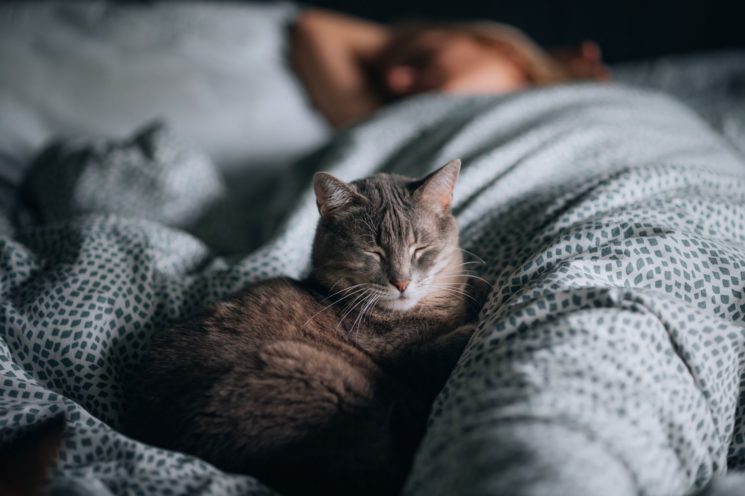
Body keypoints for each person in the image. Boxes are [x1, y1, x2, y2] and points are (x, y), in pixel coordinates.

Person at [291, 9, 611, 128]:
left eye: (422, 59)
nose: (396, 80)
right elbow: (316, 27)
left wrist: (546, 69)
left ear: (500, 48)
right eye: (388, 91)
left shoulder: (586, 103)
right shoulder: (387, 125)